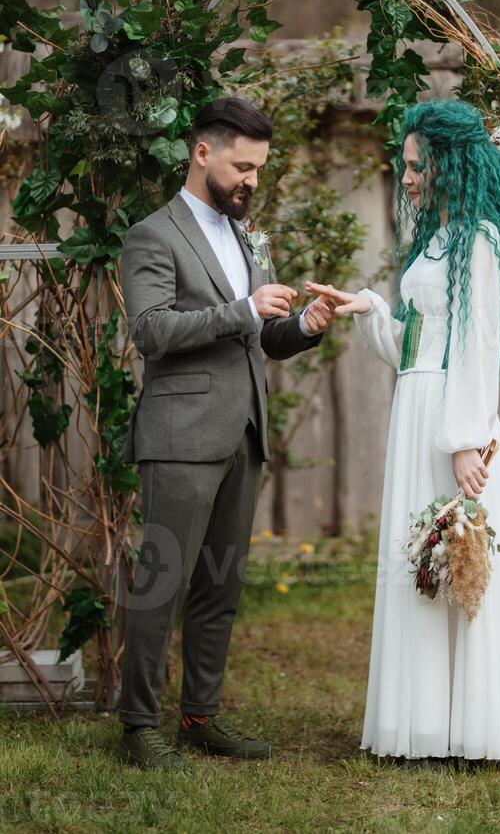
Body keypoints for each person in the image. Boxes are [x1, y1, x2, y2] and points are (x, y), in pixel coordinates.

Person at [306, 98, 500, 762]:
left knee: (462, 563)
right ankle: (422, 726)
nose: (407, 177)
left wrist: (466, 438)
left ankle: (477, 727)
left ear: (450, 162)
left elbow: (476, 343)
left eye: (417, 166)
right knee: (421, 564)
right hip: (417, 413)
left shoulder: (480, 242)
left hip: (450, 423)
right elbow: (416, 350)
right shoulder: (437, 238)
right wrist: (372, 311)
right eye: (406, 165)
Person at [116, 96, 335, 769]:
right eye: (243, 166)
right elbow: (150, 330)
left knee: (220, 584)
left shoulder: (247, 238)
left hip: (242, 434)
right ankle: (138, 728)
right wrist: (241, 307)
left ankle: (200, 716)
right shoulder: (152, 235)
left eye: (260, 170)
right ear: (202, 153)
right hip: (179, 435)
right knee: (162, 583)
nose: (251, 181)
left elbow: (259, 337)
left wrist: (301, 327)